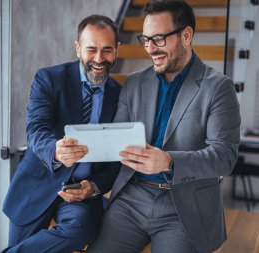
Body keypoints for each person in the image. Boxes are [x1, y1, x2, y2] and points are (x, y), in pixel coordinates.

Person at [87, 1, 241, 253]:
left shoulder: (219, 88)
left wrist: (169, 162)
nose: (150, 48)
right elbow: (114, 141)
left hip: (184, 206)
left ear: (186, 35)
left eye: (158, 39)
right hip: (131, 199)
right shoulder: (134, 83)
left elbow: (224, 157)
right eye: (145, 39)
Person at [1, 14, 121, 253]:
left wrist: (94, 187)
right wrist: (55, 150)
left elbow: (115, 160)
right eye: (91, 49)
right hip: (38, 184)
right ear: (77, 48)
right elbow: (36, 128)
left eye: (107, 50)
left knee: (80, 230)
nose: (99, 59)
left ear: (117, 50)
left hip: (81, 192)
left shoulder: (120, 94)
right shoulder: (48, 79)